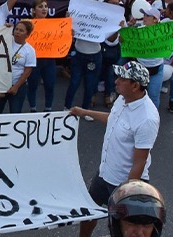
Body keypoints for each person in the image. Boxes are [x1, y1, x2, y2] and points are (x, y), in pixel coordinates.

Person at [70, 61, 160, 237]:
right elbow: (113, 119)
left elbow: (140, 160)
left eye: (122, 79)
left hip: (124, 182)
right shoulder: (123, 98)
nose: (116, 81)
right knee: (89, 212)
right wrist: (85, 112)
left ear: (135, 85)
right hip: (104, 174)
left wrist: (126, 194)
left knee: (120, 228)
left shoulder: (147, 118)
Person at [0, 20, 36, 114]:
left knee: (15, 113)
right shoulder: (7, 39)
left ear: (27, 35)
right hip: (1, 84)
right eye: (16, 29)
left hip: (18, 86)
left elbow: (27, 71)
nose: (17, 32)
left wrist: (16, 87)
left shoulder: (30, 50)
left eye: (21, 31)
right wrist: (4, 27)